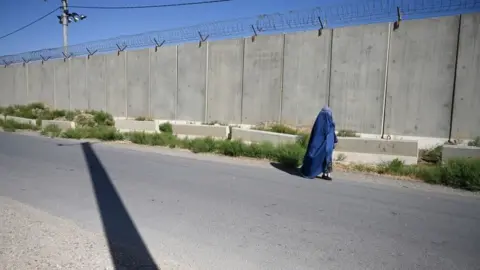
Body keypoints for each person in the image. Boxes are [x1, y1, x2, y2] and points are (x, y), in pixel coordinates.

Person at [300, 105, 338, 180]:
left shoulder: (326, 122)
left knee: (326, 157)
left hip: (327, 144)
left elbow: (332, 132)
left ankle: (326, 174)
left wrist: (335, 140)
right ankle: (310, 171)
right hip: (322, 144)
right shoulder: (322, 123)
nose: (327, 115)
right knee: (318, 155)